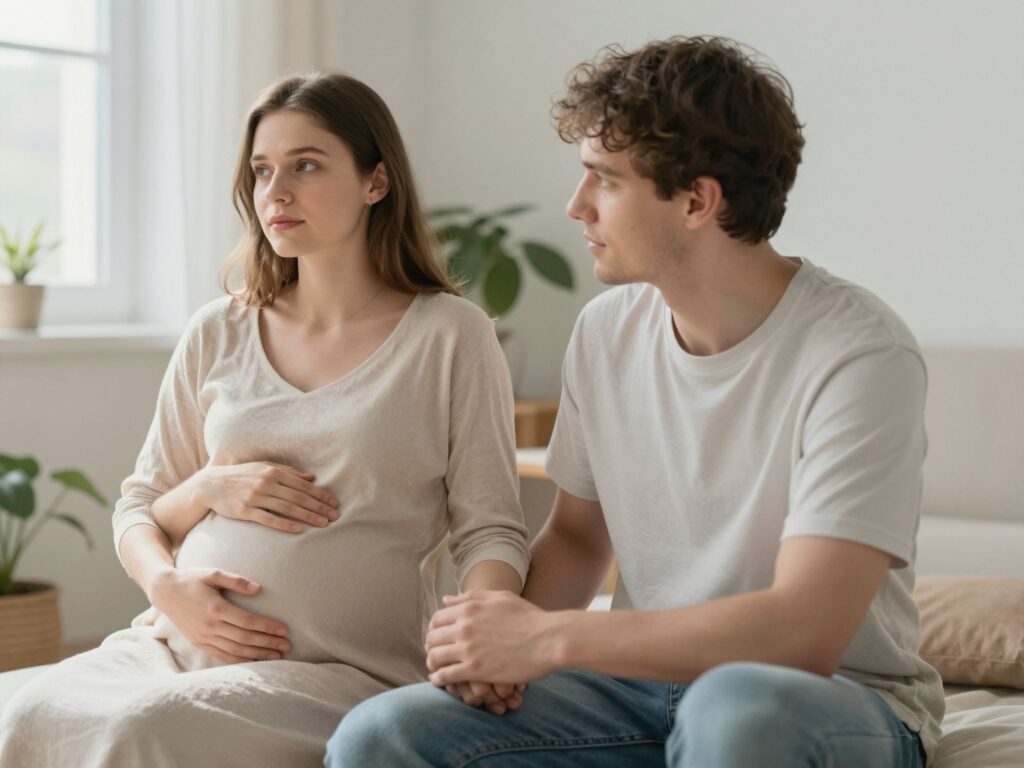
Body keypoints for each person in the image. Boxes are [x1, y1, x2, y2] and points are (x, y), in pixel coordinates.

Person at [325, 36, 944, 768]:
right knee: (382, 736)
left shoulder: (859, 353)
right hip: (641, 690)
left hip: (826, 699)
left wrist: (551, 641)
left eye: (604, 181)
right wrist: (501, 650)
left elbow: (803, 633)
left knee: (735, 711)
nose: (576, 206)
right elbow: (581, 539)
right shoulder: (607, 332)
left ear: (696, 200)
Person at [0, 72, 530, 767]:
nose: (275, 192)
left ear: (376, 181)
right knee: (31, 711)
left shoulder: (450, 336)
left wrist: (485, 640)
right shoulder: (216, 331)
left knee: (147, 729)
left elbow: (491, 526)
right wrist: (168, 587)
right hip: (170, 646)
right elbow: (140, 507)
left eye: (305, 165)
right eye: (261, 170)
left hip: (344, 671)